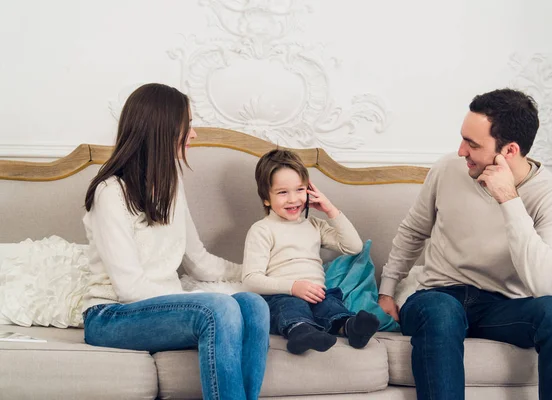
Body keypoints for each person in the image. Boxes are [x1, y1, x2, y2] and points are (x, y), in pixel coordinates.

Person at [377, 88, 552, 400]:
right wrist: (387, 290)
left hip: (504, 308)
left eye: (472, 144)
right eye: (462, 139)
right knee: (441, 312)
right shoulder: (448, 169)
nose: (461, 151)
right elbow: (413, 231)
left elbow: (544, 285)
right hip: (436, 295)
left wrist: (509, 199)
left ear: (510, 151)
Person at [82, 83, 270, 400]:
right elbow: (129, 288)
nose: (194, 134)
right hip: (111, 316)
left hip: (161, 309)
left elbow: (198, 262)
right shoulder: (110, 192)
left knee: (253, 306)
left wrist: (256, 273)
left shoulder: (171, 183)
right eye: (189, 124)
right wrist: (190, 301)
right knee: (218, 308)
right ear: (163, 128)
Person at [242, 149, 380, 355]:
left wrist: (330, 209)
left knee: (331, 306)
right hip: (282, 294)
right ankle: (301, 332)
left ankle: (351, 328)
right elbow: (250, 279)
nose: (293, 199)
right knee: (291, 308)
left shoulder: (314, 225)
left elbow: (353, 246)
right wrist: (293, 287)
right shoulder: (262, 229)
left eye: (300, 190)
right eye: (282, 192)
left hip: (317, 294)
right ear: (266, 198)